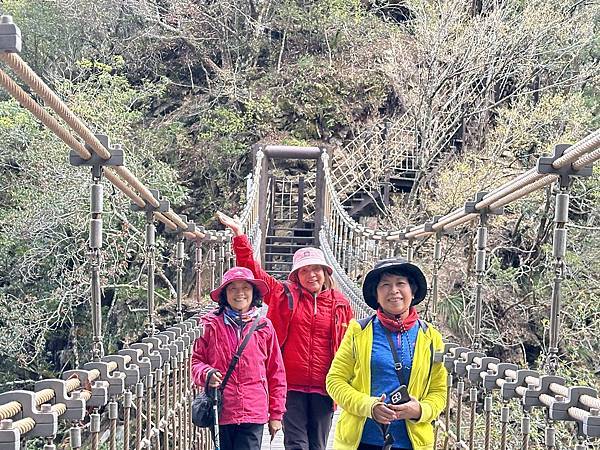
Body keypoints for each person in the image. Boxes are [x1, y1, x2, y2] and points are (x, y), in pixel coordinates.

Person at [217, 211, 354, 450]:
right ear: (296, 276)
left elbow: (351, 346)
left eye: (316, 269)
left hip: (326, 387)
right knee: (297, 444)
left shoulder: (341, 304)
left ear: (325, 272)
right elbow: (252, 273)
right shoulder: (283, 295)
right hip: (291, 386)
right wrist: (240, 237)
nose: (311, 274)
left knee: (318, 446)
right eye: (304, 270)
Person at [326, 258, 447, 450]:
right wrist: (369, 407)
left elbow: (439, 392)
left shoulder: (431, 337)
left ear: (412, 290)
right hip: (362, 441)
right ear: (376, 293)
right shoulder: (359, 331)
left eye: (401, 283)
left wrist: (420, 410)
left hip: (411, 443)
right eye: (385, 285)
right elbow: (335, 381)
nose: (394, 291)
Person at [191, 266, 287, 450]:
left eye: (245, 288)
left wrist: (276, 414)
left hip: (254, 410)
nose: (239, 293)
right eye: (233, 288)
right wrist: (207, 374)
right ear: (224, 294)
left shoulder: (264, 327)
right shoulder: (209, 325)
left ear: (254, 292)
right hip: (222, 408)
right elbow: (196, 362)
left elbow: (276, 372)